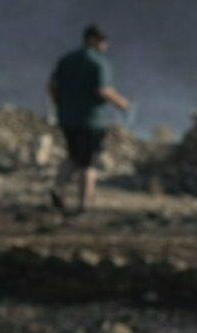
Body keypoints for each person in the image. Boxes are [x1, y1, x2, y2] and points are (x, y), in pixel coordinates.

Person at [47, 24, 129, 213]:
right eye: (102, 41)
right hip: (91, 120)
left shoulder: (66, 60)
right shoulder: (98, 63)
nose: (105, 45)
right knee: (89, 162)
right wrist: (121, 103)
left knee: (74, 156)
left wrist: (59, 104)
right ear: (92, 40)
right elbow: (102, 89)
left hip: (68, 118)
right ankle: (84, 204)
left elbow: (52, 85)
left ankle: (57, 187)